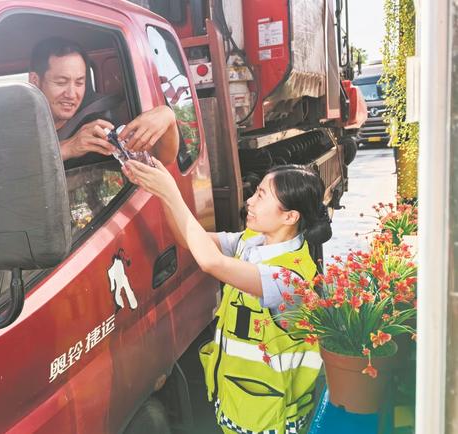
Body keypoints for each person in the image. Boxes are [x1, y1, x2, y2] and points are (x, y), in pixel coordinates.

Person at [122, 161, 333, 434]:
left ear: (290, 217)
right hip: (240, 406)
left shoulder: (288, 280)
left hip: (271, 420)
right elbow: (189, 238)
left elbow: (212, 263)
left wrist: (171, 191)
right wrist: (163, 191)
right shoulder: (251, 242)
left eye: (261, 195)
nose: (249, 201)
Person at [28, 37, 179, 165]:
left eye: (79, 83)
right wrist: (68, 148)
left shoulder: (93, 128)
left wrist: (167, 116)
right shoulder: (15, 125)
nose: (72, 94)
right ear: (35, 81)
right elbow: (6, 171)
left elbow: (160, 159)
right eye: (61, 82)